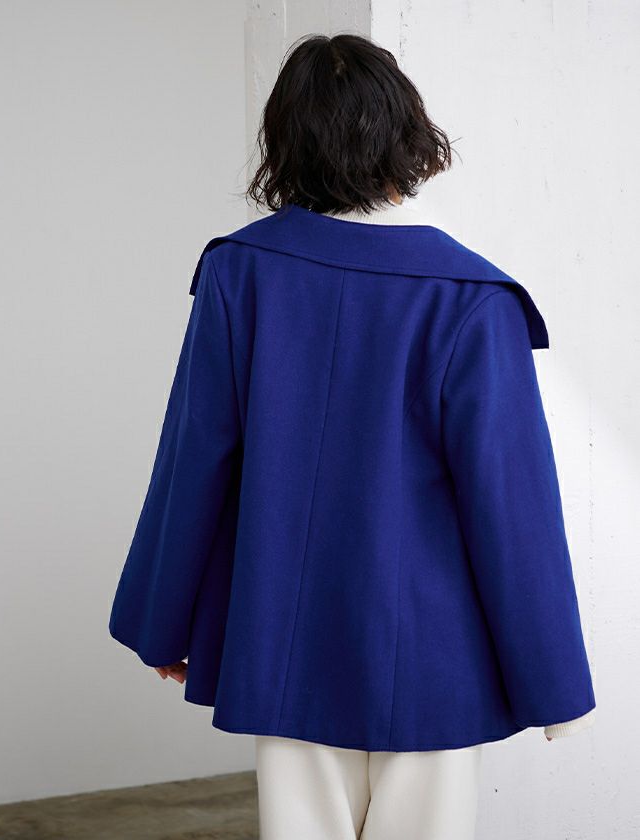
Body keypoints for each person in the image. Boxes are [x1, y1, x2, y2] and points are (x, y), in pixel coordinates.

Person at [108, 33, 596, 840]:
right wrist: (555, 684)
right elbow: (512, 506)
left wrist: (164, 617)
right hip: (434, 659)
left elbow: (194, 457)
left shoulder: (240, 272)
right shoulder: (470, 297)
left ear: (285, 142)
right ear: (407, 134)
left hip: (283, 641)